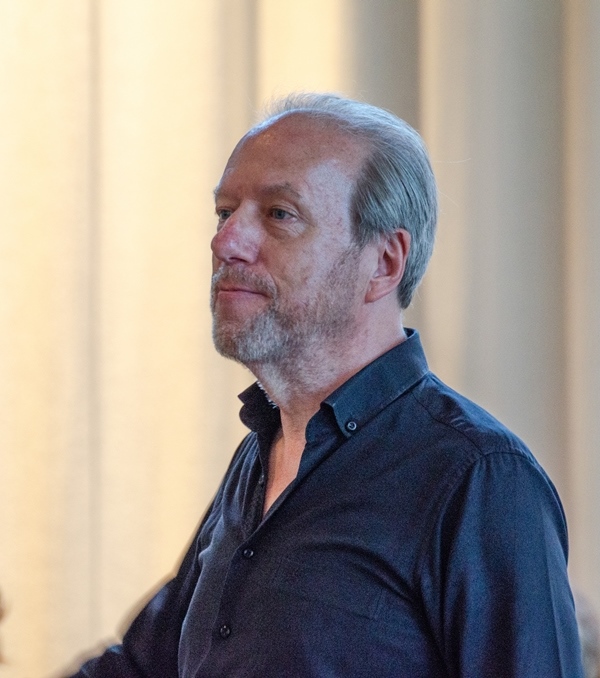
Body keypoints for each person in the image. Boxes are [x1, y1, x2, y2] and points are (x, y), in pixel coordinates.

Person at [65, 93, 584, 677]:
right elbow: (143, 668)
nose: (226, 242)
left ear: (384, 262)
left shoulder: (479, 477)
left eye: (279, 214)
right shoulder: (260, 452)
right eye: (225, 212)